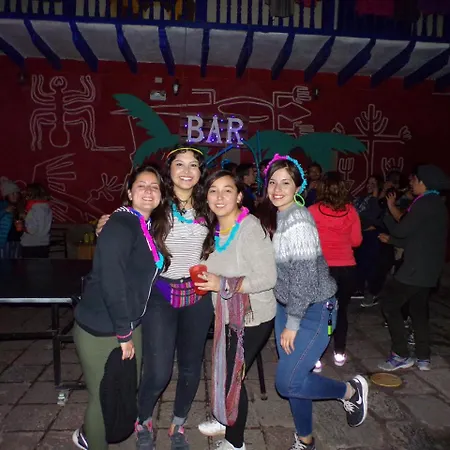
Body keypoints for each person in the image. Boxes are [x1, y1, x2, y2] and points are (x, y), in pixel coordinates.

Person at [94, 146, 213, 450]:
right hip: (160, 294)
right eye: (179, 164)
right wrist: (105, 226)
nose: (186, 171)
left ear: (200, 172)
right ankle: (143, 419)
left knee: (191, 368)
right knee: (159, 371)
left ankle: (178, 424)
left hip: (198, 296)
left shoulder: (210, 205)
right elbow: (126, 224)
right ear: (169, 170)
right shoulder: (156, 204)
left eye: (193, 165)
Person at [259, 154, 369, 450]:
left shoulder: (298, 220)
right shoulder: (280, 216)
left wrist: (293, 323)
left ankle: (350, 391)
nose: (277, 189)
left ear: (298, 187)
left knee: (287, 383)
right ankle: (305, 440)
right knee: (297, 376)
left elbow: (305, 277)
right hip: (288, 307)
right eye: (272, 182)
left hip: (312, 310)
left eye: (286, 183)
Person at [73, 165, 168, 450]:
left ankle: (98, 433)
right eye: (141, 185)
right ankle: (92, 439)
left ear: (161, 196)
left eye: (154, 187)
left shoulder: (144, 225)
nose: (148, 191)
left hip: (127, 322)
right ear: (129, 192)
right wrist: (124, 333)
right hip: (103, 326)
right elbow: (112, 281)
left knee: (123, 391)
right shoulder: (120, 225)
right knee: (102, 398)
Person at [196, 170, 277, 450]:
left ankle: (235, 442)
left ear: (239, 196)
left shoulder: (250, 229)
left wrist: (222, 283)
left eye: (227, 190)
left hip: (253, 317)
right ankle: (225, 416)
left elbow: (268, 278)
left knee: (232, 378)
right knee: (224, 370)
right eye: (213, 190)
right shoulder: (213, 229)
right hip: (227, 316)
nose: (219, 197)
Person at [377, 164, 450, 372]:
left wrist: (388, 214)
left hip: (414, 269)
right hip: (429, 270)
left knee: (389, 304)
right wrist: (392, 240)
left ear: (423, 182)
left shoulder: (424, 203)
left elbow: (402, 230)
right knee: (418, 311)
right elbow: (419, 238)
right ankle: (423, 357)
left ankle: (400, 354)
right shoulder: (437, 204)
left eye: (414, 179)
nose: (411, 183)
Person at [309, 172, 362, 369]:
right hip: (347, 268)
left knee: (317, 313)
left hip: (321, 268)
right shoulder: (351, 211)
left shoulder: (312, 211)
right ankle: (339, 352)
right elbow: (356, 241)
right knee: (341, 310)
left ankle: (316, 356)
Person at [353, 175, 383, 304]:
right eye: (369, 183)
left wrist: (376, 196)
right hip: (360, 234)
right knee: (359, 263)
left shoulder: (380, 201)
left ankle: (371, 293)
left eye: (374, 183)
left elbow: (373, 218)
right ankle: (358, 289)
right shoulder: (361, 199)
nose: (370, 185)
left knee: (370, 265)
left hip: (371, 236)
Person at [20, 183, 53, 258]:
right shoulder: (47, 208)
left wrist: (23, 226)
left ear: (31, 195)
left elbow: (31, 230)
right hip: (44, 243)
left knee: (30, 265)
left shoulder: (33, 209)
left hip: (31, 244)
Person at [0, 178, 23, 259]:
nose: (14, 195)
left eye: (16, 193)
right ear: (6, 195)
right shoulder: (2, 205)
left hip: (18, 241)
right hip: (4, 242)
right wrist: (5, 211)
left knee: (16, 264)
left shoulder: (20, 206)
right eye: (11, 193)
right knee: (4, 264)